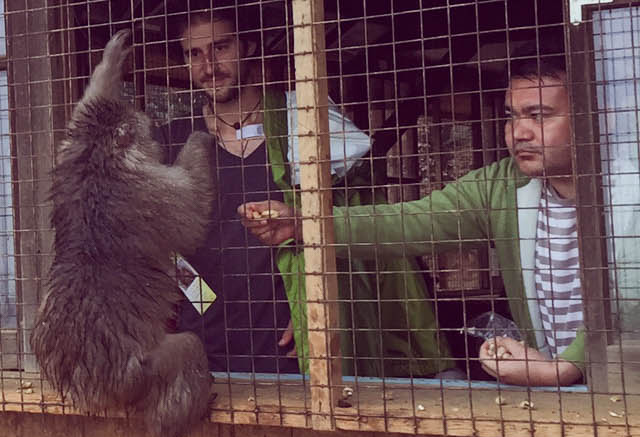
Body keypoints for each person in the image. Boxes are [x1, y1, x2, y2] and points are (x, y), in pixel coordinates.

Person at [240, 57, 584, 387]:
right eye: (512, 116)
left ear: (589, 115)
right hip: (565, 390)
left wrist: (566, 367)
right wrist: (304, 224)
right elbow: (409, 222)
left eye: (539, 115)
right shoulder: (503, 186)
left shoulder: (625, 188)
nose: (519, 132)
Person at [165, 12, 372, 375]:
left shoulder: (301, 120)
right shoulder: (170, 140)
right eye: (193, 54)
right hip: (204, 350)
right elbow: (154, 246)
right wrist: (201, 301)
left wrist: (312, 299)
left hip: (290, 344)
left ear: (248, 47)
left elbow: (350, 220)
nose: (208, 66)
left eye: (220, 47)